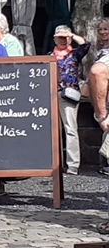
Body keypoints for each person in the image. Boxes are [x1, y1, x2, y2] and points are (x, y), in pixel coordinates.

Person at [51, 25, 89, 175]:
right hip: (52, 94)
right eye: (59, 37)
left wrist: (70, 34)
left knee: (70, 129)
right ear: (54, 39)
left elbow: (86, 44)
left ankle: (73, 164)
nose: (62, 40)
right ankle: (56, 163)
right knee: (53, 130)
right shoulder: (49, 55)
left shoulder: (74, 54)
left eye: (64, 38)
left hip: (69, 95)